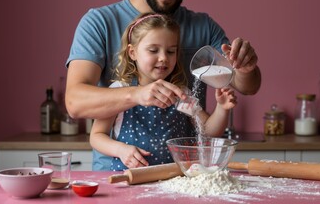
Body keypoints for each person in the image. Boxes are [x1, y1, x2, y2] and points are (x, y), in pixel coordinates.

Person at [65, 0, 261, 170]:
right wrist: (137, 95)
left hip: (177, 178)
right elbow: (74, 103)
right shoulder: (99, 22)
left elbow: (247, 86)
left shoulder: (203, 29)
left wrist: (244, 67)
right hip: (118, 178)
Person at [89, 13, 236, 170]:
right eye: (153, 50)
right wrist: (120, 150)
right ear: (133, 53)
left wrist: (222, 108)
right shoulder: (120, 91)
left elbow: (207, 131)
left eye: (171, 51)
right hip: (130, 180)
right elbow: (97, 136)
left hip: (174, 182)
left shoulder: (180, 94)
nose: (163, 58)